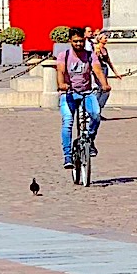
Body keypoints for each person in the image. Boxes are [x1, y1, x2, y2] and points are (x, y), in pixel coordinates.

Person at [56, 26, 108, 170]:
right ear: (70, 41)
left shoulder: (90, 55)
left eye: (81, 41)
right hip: (69, 94)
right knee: (68, 122)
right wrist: (61, 84)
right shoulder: (64, 56)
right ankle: (67, 156)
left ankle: (90, 140)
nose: (78, 44)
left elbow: (97, 70)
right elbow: (60, 71)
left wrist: (104, 84)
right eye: (75, 41)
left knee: (96, 115)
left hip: (86, 92)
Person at [92, 30, 118, 115]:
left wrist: (116, 73)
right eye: (105, 38)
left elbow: (109, 62)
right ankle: (96, 109)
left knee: (102, 89)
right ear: (100, 39)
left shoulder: (104, 49)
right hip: (99, 70)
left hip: (105, 69)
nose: (106, 39)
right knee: (103, 89)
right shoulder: (97, 48)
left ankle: (97, 110)